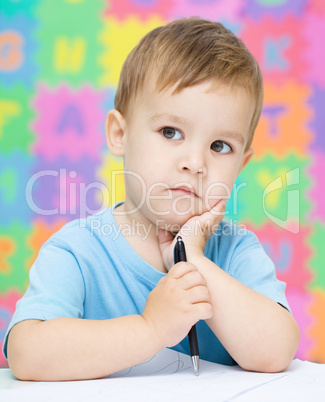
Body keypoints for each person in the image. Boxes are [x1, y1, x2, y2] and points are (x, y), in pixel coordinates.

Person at [4, 17, 300, 381]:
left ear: (241, 164)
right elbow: (28, 354)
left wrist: (193, 260)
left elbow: (276, 351)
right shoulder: (78, 251)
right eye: (170, 132)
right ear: (119, 134)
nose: (195, 163)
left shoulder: (235, 251)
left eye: (220, 146)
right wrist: (152, 328)